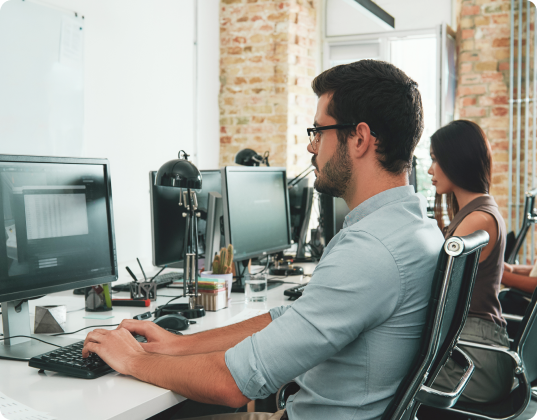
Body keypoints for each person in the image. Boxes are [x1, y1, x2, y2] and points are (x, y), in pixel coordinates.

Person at [81, 60, 444, 420]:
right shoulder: (415, 228)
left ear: (360, 138)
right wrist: (179, 345)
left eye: (319, 132)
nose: (311, 147)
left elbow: (231, 383)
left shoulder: (369, 250)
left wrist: (133, 359)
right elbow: (291, 319)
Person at [421, 120, 513, 412]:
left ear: (455, 160)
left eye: (435, 159)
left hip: (475, 358)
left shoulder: (477, 219)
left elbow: (436, 288)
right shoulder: (478, 210)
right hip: (472, 346)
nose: (429, 170)